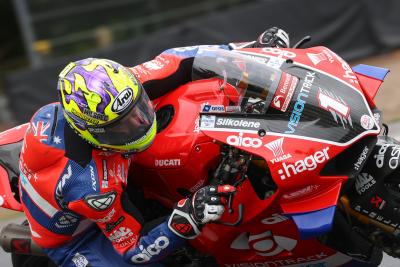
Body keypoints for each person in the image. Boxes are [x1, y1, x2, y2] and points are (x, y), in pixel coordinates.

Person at [19, 27, 290, 266]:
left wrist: (249, 50)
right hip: (81, 238)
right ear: (92, 132)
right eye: (121, 128)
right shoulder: (90, 185)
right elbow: (133, 249)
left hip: (114, 172)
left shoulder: (117, 92)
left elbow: (179, 59)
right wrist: (187, 218)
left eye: (138, 109)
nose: (138, 124)